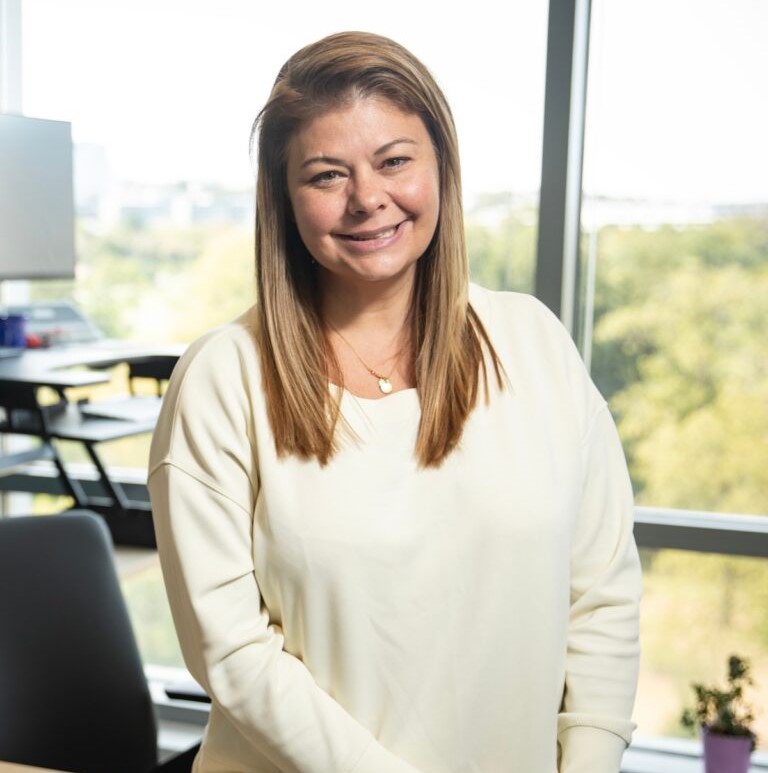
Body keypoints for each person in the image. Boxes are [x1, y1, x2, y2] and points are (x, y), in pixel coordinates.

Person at [148, 30, 641, 773]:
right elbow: (234, 652)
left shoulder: (535, 346)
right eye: (325, 175)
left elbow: (602, 596)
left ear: (440, 165)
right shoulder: (224, 379)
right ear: (284, 197)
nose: (368, 198)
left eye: (394, 161)